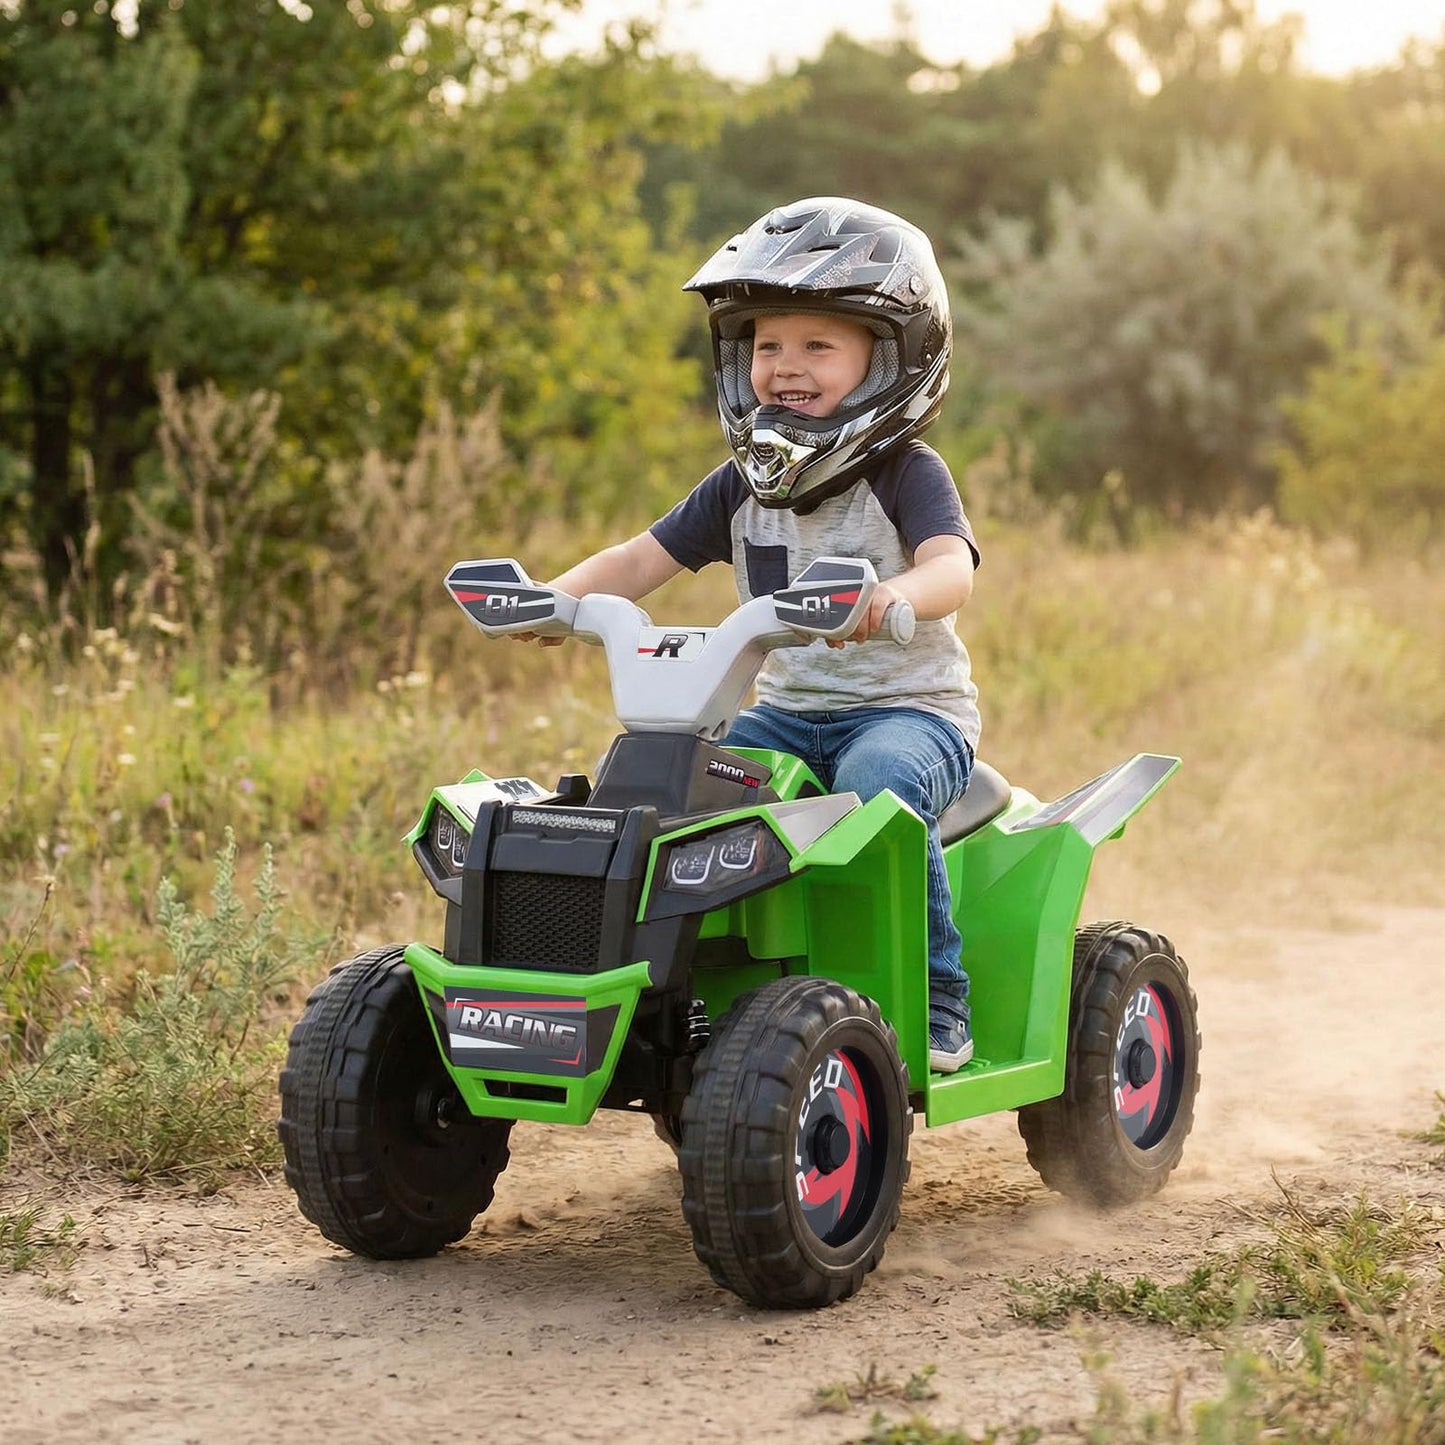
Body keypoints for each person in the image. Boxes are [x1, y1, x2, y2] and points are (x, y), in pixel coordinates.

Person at [529, 196, 981, 1072]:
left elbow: (951, 565)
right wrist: (553, 598)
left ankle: (937, 1002)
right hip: (783, 714)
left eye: (819, 345)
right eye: (767, 345)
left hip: (907, 713)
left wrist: (893, 595)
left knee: (876, 783)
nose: (786, 366)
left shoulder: (902, 472)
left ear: (890, 359)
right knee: (670, 785)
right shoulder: (740, 485)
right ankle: (686, 1004)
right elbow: (635, 560)